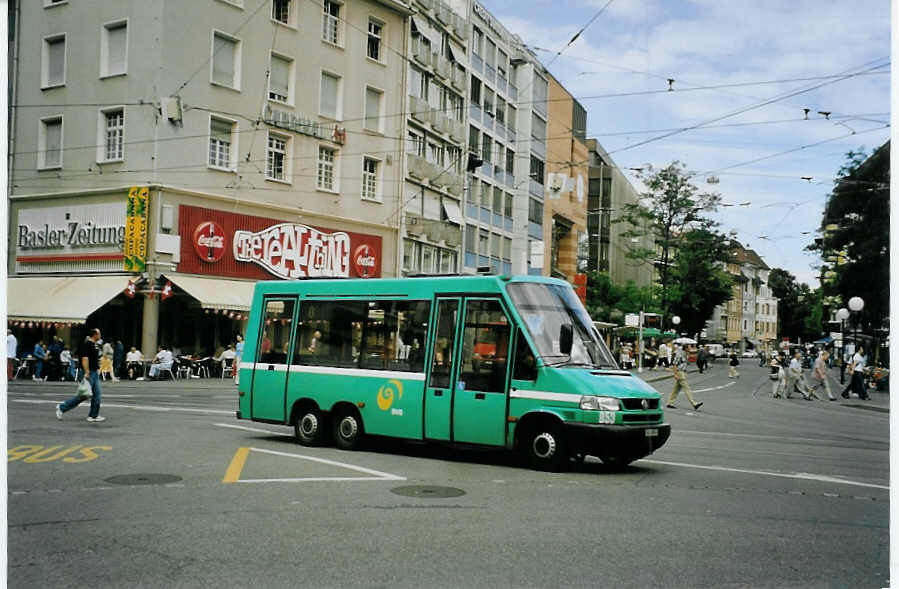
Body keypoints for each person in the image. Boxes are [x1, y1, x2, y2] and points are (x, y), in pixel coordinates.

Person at [56, 328, 105, 422]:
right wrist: (86, 372)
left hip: (94, 372)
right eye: (99, 334)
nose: (100, 335)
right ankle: (62, 407)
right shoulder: (87, 345)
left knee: (97, 395)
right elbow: (85, 359)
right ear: (94, 335)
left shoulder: (95, 345)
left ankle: (93, 415)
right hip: (89, 372)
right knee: (83, 395)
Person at [665, 345, 703, 411]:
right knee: (687, 389)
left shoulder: (685, 354)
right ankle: (694, 404)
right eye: (689, 347)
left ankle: (670, 403)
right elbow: (674, 364)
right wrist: (675, 374)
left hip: (682, 372)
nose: (691, 348)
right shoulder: (679, 354)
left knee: (676, 390)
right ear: (686, 348)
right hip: (679, 372)